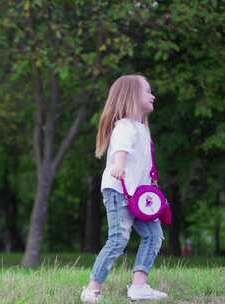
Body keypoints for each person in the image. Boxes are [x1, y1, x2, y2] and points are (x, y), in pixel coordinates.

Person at [80, 75, 168, 303]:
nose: (153, 95)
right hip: (118, 190)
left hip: (138, 196)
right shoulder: (125, 126)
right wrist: (118, 165)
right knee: (119, 237)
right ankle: (92, 289)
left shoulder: (142, 129)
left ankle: (139, 286)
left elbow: (142, 164)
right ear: (131, 95)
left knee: (154, 235)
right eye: (148, 91)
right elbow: (121, 148)